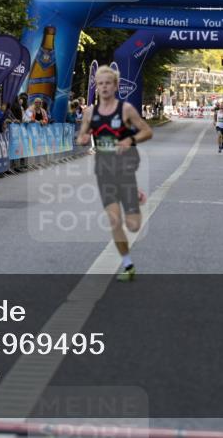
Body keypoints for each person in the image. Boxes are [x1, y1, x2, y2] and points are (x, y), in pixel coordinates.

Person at [76, 66, 153, 282]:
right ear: (96, 87)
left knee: (133, 225)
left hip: (125, 170)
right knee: (114, 221)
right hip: (104, 172)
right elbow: (83, 134)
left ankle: (135, 195)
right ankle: (128, 265)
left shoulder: (126, 109)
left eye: (108, 83)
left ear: (116, 86)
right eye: (100, 83)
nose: (104, 87)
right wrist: (82, 139)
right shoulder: (90, 112)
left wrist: (130, 139)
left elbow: (147, 130)